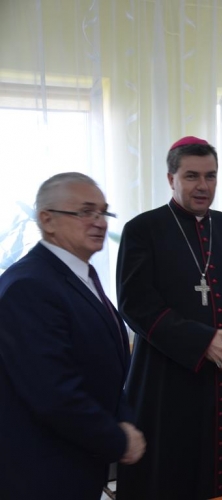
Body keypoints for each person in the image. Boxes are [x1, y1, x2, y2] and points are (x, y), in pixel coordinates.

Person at [116, 136, 222, 499]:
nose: (203, 185)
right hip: (167, 380)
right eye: (191, 176)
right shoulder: (143, 230)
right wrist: (202, 341)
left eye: (210, 176)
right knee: (170, 477)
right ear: (171, 179)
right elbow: (135, 304)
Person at [0, 173, 145, 499]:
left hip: (76, 463)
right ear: (47, 220)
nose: (99, 222)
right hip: (39, 473)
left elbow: (104, 365)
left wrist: (124, 419)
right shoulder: (29, 286)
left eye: (103, 212)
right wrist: (118, 439)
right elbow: (51, 390)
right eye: (85, 212)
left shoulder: (80, 274)